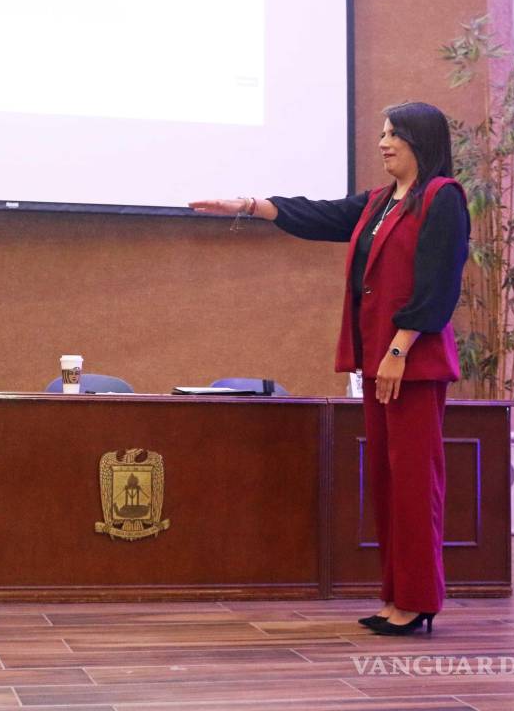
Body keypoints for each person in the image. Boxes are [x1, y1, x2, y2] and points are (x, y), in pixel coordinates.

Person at [190, 101, 469, 637]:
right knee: (387, 482)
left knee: (413, 483)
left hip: (410, 362)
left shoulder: (441, 198)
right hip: (381, 361)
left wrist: (398, 348)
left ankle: (418, 599)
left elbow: (439, 282)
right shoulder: (381, 202)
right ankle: (396, 597)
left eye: (394, 135)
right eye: (382, 133)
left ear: (420, 141)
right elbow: (319, 215)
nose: (383, 143)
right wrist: (250, 205)